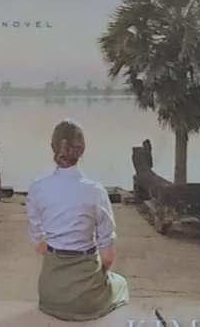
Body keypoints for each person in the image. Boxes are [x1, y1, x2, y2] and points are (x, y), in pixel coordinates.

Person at [26, 119, 129, 321]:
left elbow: (39, 243)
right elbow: (107, 257)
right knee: (121, 283)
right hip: (87, 297)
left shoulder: (38, 188)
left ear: (53, 147)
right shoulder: (95, 191)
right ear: (82, 150)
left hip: (51, 294)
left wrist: (59, 254)